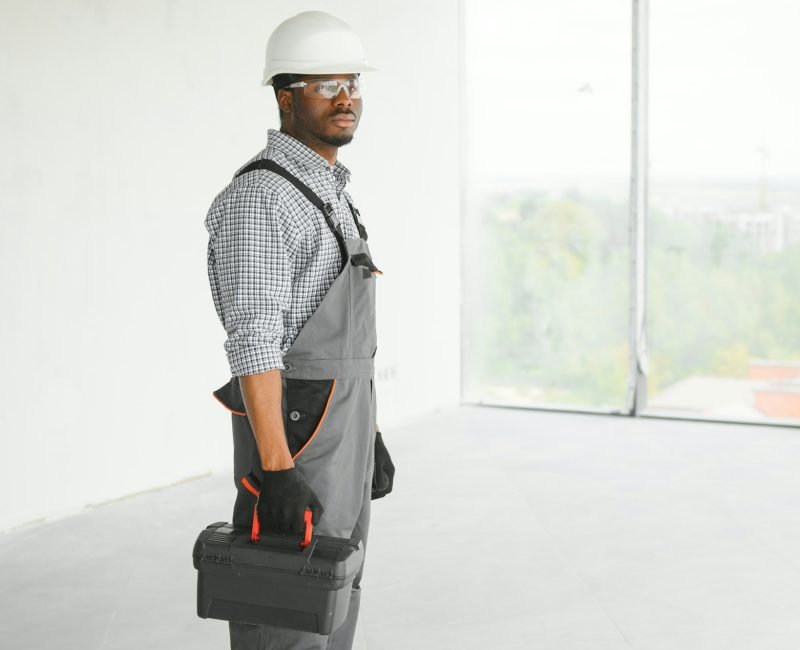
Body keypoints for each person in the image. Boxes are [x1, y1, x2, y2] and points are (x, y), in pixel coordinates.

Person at [204, 11, 395, 650]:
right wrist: (276, 469)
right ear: (285, 97)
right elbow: (255, 341)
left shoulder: (331, 189)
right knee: (285, 599)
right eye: (324, 86)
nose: (347, 100)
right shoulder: (264, 197)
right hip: (297, 435)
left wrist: (369, 435)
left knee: (335, 592)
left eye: (352, 84)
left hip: (341, 426)